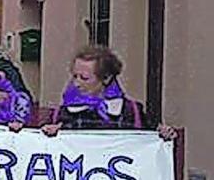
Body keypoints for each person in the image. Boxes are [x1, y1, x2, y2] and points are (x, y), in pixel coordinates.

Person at [41, 45, 177, 140]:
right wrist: (48, 135)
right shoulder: (61, 114)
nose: (76, 83)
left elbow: (150, 141)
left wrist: (164, 134)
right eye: (75, 76)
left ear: (106, 78)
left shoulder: (131, 111)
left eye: (84, 78)